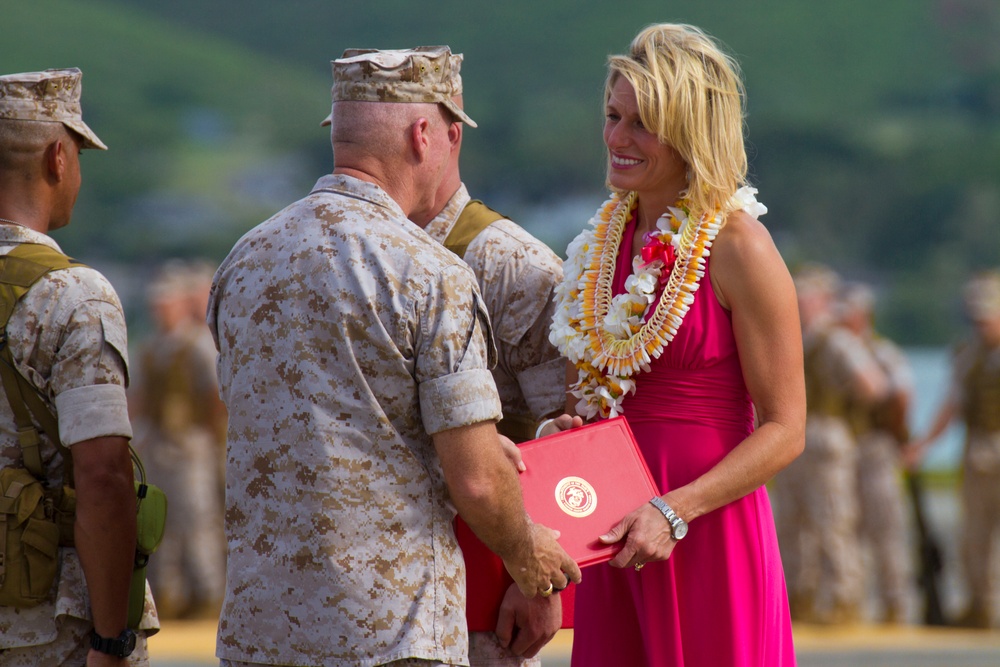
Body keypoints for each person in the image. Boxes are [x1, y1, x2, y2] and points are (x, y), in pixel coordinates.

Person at [207, 47, 580, 667]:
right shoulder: (430, 274)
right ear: (424, 134)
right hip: (389, 630)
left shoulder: (242, 260)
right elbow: (479, 477)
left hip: (261, 629)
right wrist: (530, 561)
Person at [546, 24, 805, 666]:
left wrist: (676, 510)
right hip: (613, 532)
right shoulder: (603, 242)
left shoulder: (739, 246)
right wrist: (567, 436)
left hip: (706, 527)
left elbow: (787, 428)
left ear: (690, 130)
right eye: (612, 116)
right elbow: (602, 391)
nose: (617, 138)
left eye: (643, 124)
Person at [403, 54, 570, 667]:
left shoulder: (513, 263)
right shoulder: (362, 250)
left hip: (483, 572)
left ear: (447, 135)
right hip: (387, 569)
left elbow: (565, 435)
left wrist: (537, 582)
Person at [0, 68, 157, 665]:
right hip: (42, 626)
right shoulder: (74, 296)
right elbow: (102, 477)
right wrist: (110, 638)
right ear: (57, 158)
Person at [772, 266, 886, 625]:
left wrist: (843, 411)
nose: (802, 302)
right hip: (794, 437)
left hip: (825, 436)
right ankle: (800, 595)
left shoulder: (836, 340)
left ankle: (843, 597)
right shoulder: (793, 337)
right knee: (792, 522)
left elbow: (874, 385)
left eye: (808, 295)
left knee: (833, 520)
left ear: (823, 300)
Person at [130, 261, 226, 620]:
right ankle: (168, 594)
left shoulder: (198, 345)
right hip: (158, 443)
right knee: (160, 524)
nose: (161, 309)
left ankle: (209, 594)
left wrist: (207, 434)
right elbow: (138, 397)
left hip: (191, 444)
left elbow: (214, 397)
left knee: (198, 518)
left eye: (167, 302)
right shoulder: (152, 349)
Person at [906, 270, 1000, 629]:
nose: (982, 322)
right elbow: (953, 405)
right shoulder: (969, 354)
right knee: (974, 534)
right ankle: (982, 606)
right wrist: (925, 444)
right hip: (978, 449)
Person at [839, 283, 915, 624]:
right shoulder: (840, 350)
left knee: (885, 527)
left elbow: (901, 396)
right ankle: (853, 601)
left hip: (876, 445)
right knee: (847, 526)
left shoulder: (881, 352)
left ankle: (895, 603)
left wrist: (899, 437)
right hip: (849, 444)